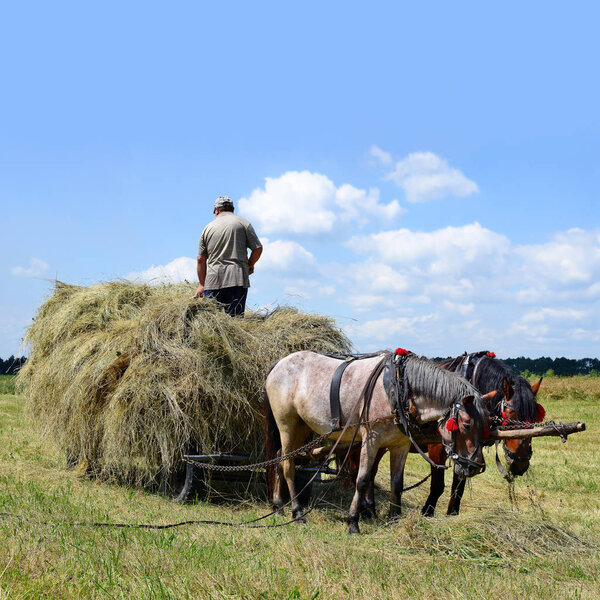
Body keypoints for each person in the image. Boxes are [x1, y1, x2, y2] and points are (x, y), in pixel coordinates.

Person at [194, 196, 262, 316]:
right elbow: (257, 248)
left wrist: (202, 284)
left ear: (217, 210)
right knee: (234, 322)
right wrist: (250, 265)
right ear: (232, 209)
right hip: (237, 278)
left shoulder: (207, 228)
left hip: (213, 280)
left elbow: (200, 260)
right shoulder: (243, 223)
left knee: (212, 322)